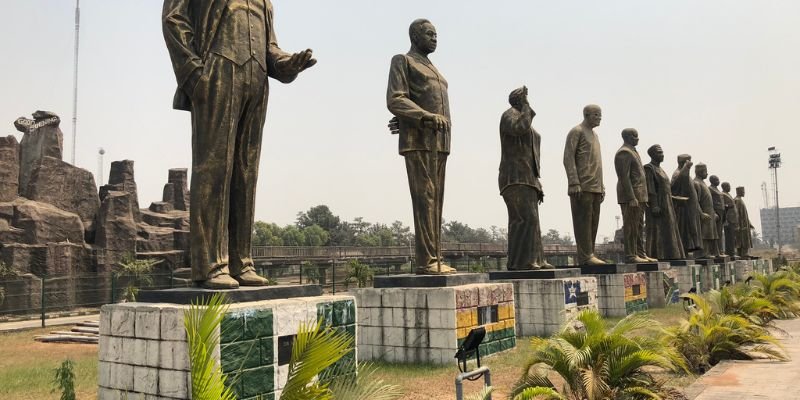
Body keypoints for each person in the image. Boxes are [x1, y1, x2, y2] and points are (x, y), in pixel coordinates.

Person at [163, 0, 317, 288]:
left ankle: (241, 262)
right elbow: (174, 19)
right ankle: (211, 265)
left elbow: (270, 48)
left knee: (246, 173)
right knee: (214, 169)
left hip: (257, 79)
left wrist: (288, 64)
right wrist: (194, 74)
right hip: (217, 69)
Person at [387, 19, 454, 275]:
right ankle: (427, 261)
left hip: (440, 141)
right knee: (425, 198)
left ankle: (436, 256)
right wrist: (423, 116)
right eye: (429, 34)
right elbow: (396, 98)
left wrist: (411, 116)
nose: (435, 38)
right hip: (420, 140)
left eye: (436, 34)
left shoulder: (434, 68)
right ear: (415, 36)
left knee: (436, 200)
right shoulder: (403, 60)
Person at [498, 86, 553, 270]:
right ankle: (520, 262)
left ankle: (536, 258)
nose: (528, 101)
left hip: (527, 176)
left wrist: (537, 183)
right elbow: (520, 128)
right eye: (526, 98)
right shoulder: (510, 115)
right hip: (514, 176)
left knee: (533, 220)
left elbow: (531, 155)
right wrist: (527, 107)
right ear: (520, 99)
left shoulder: (522, 118)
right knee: (524, 218)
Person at [563, 105, 606, 266]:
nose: (599, 117)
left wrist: (602, 186)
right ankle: (585, 255)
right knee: (583, 222)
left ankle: (591, 253)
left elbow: (597, 163)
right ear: (586, 115)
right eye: (596, 114)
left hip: (595, 186)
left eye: (600, 115)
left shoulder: (595, 135)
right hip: (582, 186)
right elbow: (568, 158)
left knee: (594, 222)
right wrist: (573, 181)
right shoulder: (577, 131)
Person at [614, 129, 655, 263]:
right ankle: (631, 255)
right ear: (627, 137)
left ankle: (641, 254)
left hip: (640, 196)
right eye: (634, 136)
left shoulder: (633, 151)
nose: (637, 138)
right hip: (631, 196)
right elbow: (624, 177)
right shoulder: (624, 152)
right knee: (630, 226)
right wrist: (631, 197)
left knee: (638, 226)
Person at [643, 145, 685, 260]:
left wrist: (677, 199)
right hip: (658, 205)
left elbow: (666, 190)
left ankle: (671, 255)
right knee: (658, 231)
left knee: (669, 230)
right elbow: (650, 189)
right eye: (659, 153)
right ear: (652, 155)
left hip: (667, 204)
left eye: (662, 153)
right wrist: (655, 205)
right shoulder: (649, 168)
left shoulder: (661, 170)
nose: (662, 155)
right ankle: (657, 255)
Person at [671, 154, 703, 255]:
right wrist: (686, 168)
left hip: (691, 208)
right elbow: (675, 187)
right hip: (683, 208)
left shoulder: (686, 174)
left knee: (692, 229)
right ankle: (683, 251)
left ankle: (688, 249)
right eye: (688, 161)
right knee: (684, 230)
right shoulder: (677, 173)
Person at [693, 164, 718, 258]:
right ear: (700, 171)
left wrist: (714, 213)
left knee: (709, 233)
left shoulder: (703, 183)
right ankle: (702, 254)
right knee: (704, 234)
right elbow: (695, 201)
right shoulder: (696, 183)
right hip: (703, 214)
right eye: (705, 171)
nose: (707, 173)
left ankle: (708, 252)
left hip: (709, 212)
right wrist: (701, 213)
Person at [709, 175, 727, 256]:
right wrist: (713, 212)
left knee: (720, 232)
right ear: (712, 181)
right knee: (716, 233)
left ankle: (720, 250)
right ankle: (716, 251)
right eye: (716, 180)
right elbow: (710, 202)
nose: (718, 181)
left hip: (722, 212)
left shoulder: (717, 190)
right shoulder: (710, 189)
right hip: (716, 212)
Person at [734, 186, 754, 257]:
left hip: (745, 223)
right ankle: (743, 253)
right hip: (741, 224)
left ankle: (744, 253)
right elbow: (736, 213)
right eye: (743, 191)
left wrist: (749, 223)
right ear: (739, 191)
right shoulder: (737, 200)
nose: (744, 193)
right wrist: (737, 224)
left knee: (744, 238)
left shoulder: (740, 200)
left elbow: (745, 214)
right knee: (742, 239)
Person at [721, 182, 739, 256]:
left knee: (732, 237)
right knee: (729, 237)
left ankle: (732, 251)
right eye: (728, 186)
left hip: (733, 219)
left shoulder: (728, 194)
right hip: (728, 219)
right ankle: (730, 252)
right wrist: (728, 205)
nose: (729, 187)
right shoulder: (723, 194)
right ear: (724, 187)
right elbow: (723, 205)